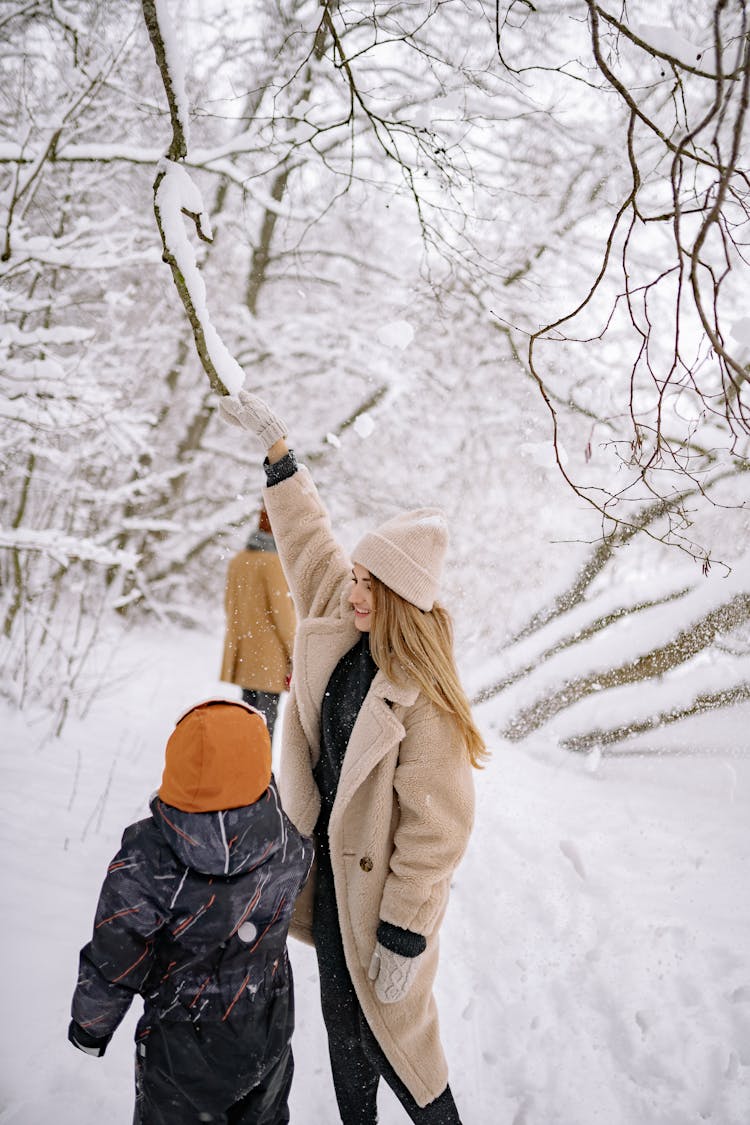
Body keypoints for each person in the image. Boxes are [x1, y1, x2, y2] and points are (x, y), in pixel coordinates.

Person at [220, 389, 488, 1124]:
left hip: (381, 906)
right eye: (358, 578)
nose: (354, 588)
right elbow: (308, 540)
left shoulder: (423, 700)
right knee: (343, 1029)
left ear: (400, 597)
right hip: (329, 884)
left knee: (403, 1047)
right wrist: (280, 454)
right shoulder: (341, 622)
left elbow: (439, 831)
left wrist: (404, 932)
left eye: (370, 584)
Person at [68, 698, 313, 1125]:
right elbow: (299, 877)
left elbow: (117, 948)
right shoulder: (285, 841)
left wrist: (91, 1024)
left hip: (183, 1041)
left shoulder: (149, 857)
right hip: (267, 1027)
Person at [221, 505, 296, 741]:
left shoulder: (239, 561)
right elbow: (283, 616)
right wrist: (296, 653)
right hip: (269, 659)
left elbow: (230, 606)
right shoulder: (273, 564)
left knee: (247, 717)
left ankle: (243, 769)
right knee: (265, 725)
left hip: (244, 654)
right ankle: (260, 774)